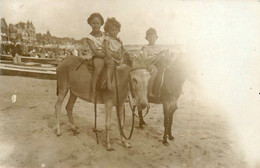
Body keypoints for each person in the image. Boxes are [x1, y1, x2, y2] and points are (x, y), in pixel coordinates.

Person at [86, 13, 106, 102]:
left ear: (101, 24)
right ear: (90, 24)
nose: (95, 25)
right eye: (93, 23)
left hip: (107, 54)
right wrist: (106, 55)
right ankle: (93, 90)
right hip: (98, 57)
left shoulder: (105, 34)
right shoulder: (89, 38)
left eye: (97, 23)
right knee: (99, 68)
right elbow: (95, 52)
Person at [141, 28, 164, 98]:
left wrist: (161, 56)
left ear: (156, 38)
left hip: (158, 63)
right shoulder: (145, 47)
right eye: (150, 37)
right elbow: (145, 59)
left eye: (153, 37)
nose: (152, 38)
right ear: (147, 38)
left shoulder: (159, 47)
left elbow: (162, 56)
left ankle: (161, 89)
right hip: (149, 64)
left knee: (165, 70)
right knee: (155, 71)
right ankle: (149, 90)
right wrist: (156, 57)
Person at [103, 17, 124, 90]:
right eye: (112, 30)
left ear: (118, 30)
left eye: (116, 30)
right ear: (107, 31)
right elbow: (106, 50)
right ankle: (108, 81)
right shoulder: (107, 38)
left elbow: (121, 50)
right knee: (111, 64)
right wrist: (111, 56)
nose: (114, 32)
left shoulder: (119, 40)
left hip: (118, 58)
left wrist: (121, 57)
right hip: (109, 57)